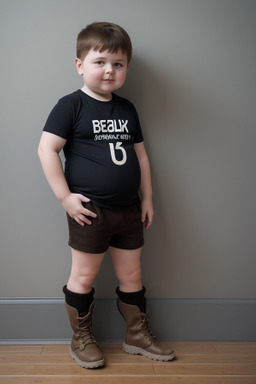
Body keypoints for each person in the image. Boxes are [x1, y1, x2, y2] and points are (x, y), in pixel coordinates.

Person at [38, 22, 175, 369]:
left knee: (132, 277)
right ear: (80, 65)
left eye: (118, 64)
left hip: (129, 210)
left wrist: (147, 198)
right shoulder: (71, 106)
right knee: (83, 276)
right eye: (100, 62)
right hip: (90, 211)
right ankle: (81, 338)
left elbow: (141, 156)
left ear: (126, 68)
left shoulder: (127, 109)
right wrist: (65, 198)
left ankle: (136, 335)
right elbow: (46, 150)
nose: (109, 70)